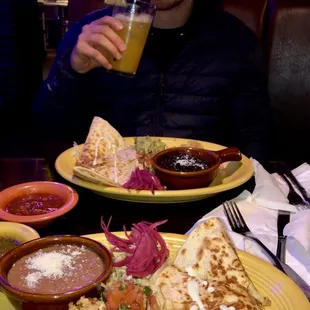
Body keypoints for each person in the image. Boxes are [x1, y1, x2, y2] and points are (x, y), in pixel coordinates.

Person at [34, 0, 269, 162]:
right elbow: (47, 131)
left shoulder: (237, 42)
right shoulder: (88, 35)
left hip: (202, 203)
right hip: (108, 198)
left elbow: (254, 146)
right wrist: (73, 72)